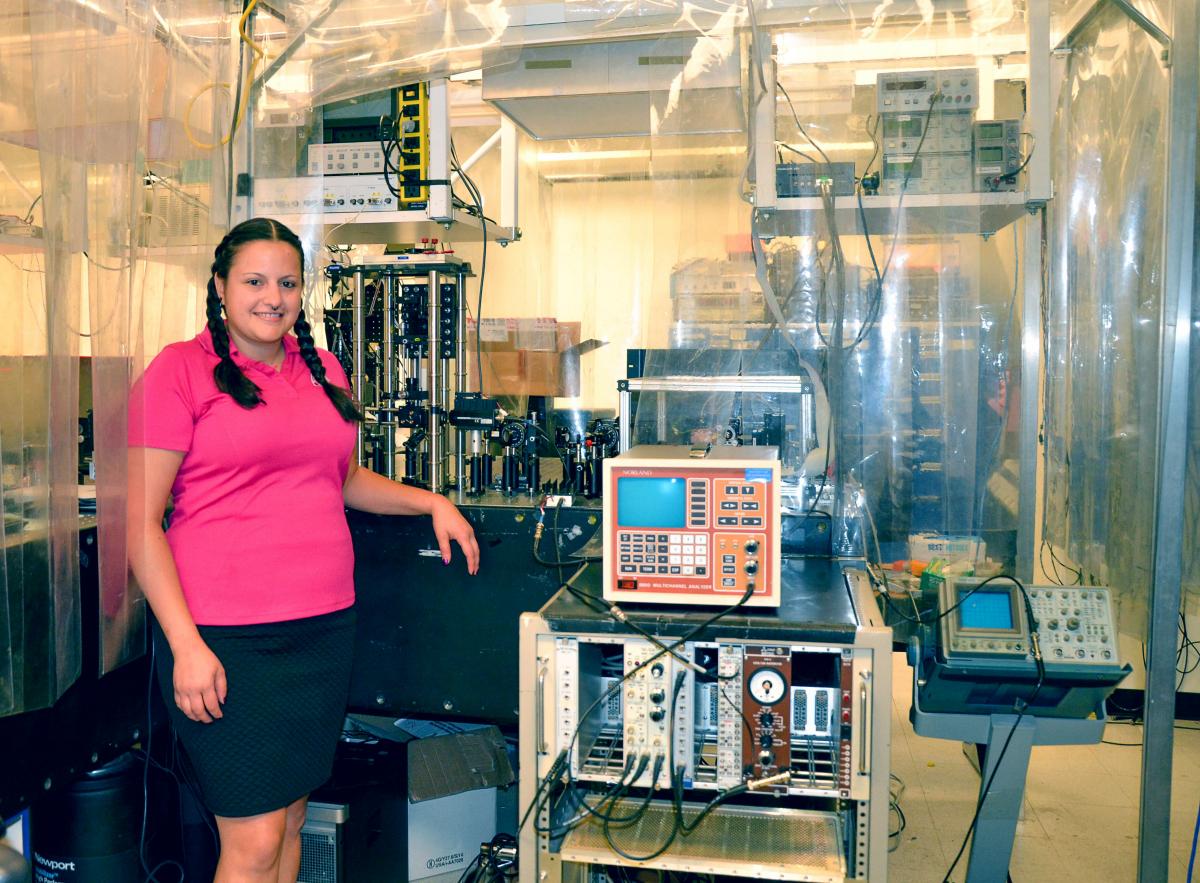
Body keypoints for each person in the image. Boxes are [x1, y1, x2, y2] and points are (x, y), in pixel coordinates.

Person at [127, 217, 480, 883]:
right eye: (255, 280)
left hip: (320, 630)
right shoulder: (180, 370)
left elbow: (341, 479)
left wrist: (429, 500)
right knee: (254, 840)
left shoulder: (319, 369)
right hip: (225, 639)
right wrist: (186, 644)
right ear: (220, 287)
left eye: (287, 282)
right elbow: (139, 522)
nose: (273, 296)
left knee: (291, 819)